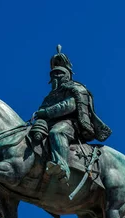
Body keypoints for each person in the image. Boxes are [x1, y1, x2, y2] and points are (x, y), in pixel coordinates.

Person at [32, 45, 112, 183]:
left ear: (67, 75)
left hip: (71, 124)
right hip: (48, 123)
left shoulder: (75, 88)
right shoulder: (49, 96)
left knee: (57, 133)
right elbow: (42, 111)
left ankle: (62, 166)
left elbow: (69, 106)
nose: (55, 76)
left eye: (59, 74)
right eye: (53, 74)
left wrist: (45, 112)